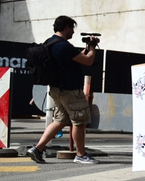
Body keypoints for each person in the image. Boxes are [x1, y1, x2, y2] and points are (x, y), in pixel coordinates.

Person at [27, 16, 100, 165]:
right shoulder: (64, 46)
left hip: (56, 90)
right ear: (67, 27)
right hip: (70, 90)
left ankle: (37, 149)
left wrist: (85, 49)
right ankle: (81, 154)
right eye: (72, 28)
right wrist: (92, 46)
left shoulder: (50, 42)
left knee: (60, 120)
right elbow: (88, 60)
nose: (73, 31)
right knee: (79, 120)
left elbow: (74, 58)